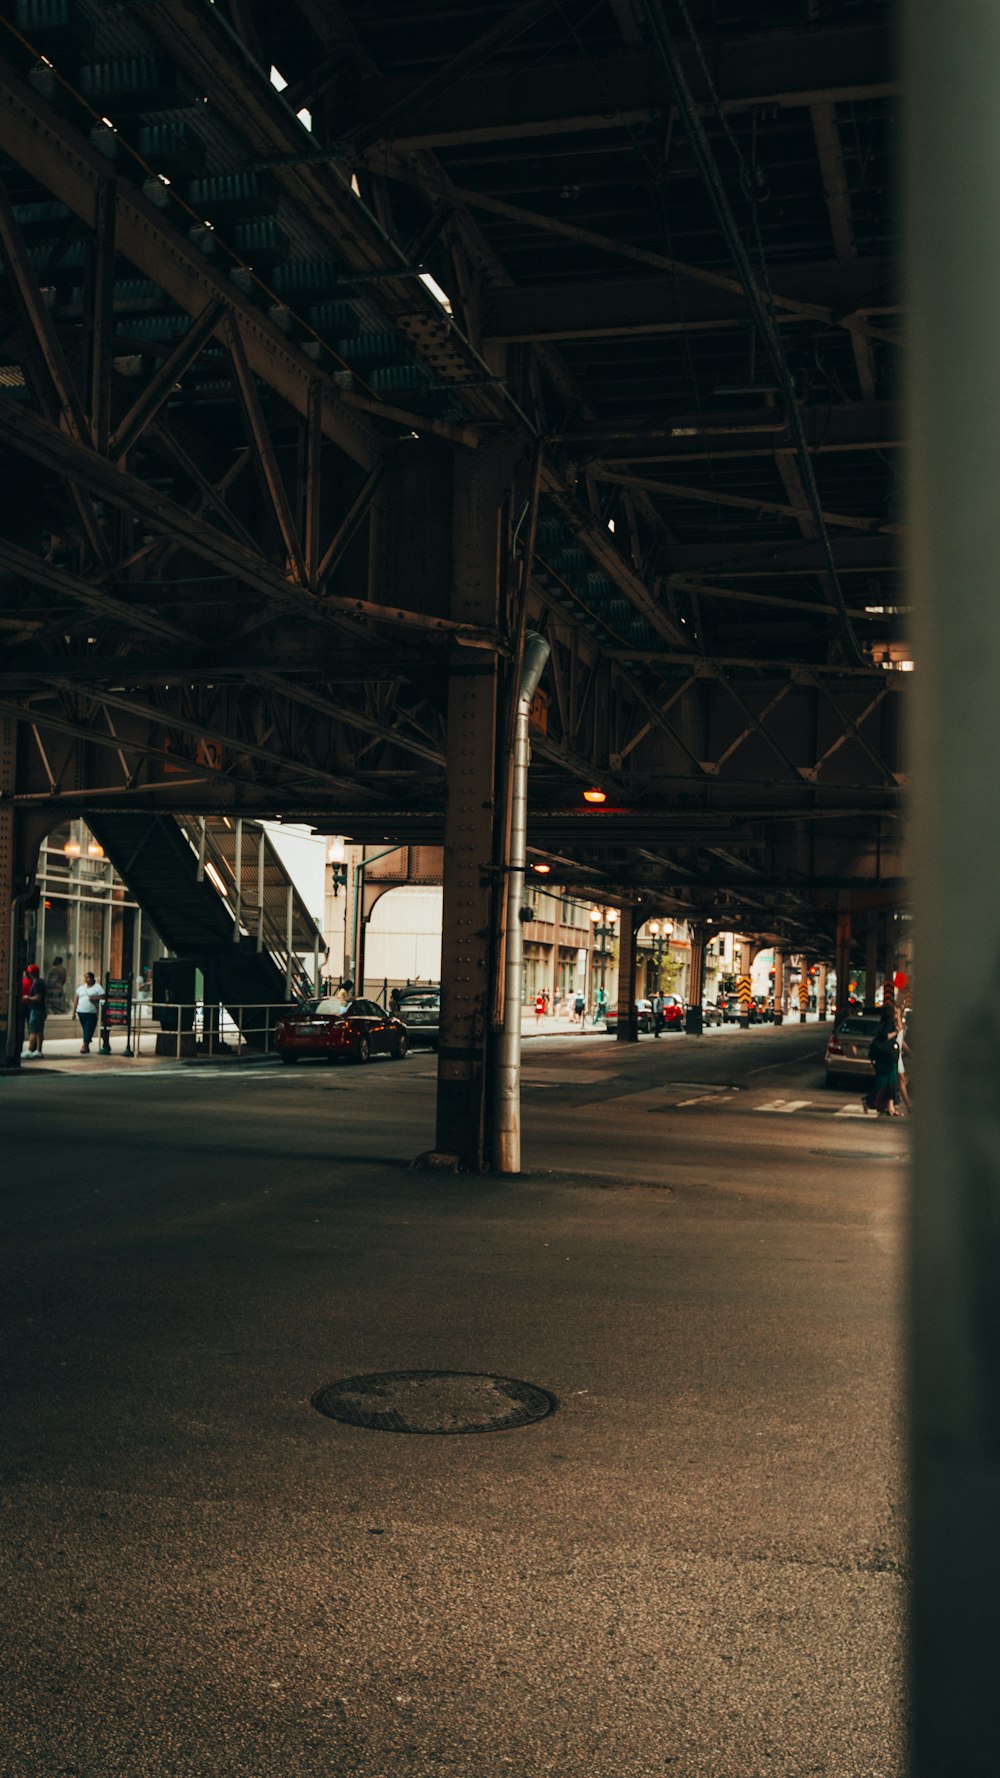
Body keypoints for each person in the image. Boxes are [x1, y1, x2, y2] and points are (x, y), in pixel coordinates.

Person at [72, 971, 103, 1053]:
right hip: (81, 1012)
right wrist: (74, 1012)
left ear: (93, 978)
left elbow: (104, 996)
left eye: (88, 977)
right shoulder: (81, 988)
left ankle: (84, 1045)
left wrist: (95, 998)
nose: (87, 979)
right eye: (85, 977)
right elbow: (76, 999)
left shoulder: (98, 987)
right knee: (86, 1029)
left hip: (91, 1012)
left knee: (88, 1029)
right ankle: (87, 1045)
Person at [23, 965, 46, 1057]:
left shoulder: (37, 983)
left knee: (33, 1031)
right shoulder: (39, 982)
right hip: (40, 1009)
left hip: (36, 1010)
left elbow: (38, 997)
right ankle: (38, 1051)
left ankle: (29, 1050)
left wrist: (27, 997)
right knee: (39, 1031)